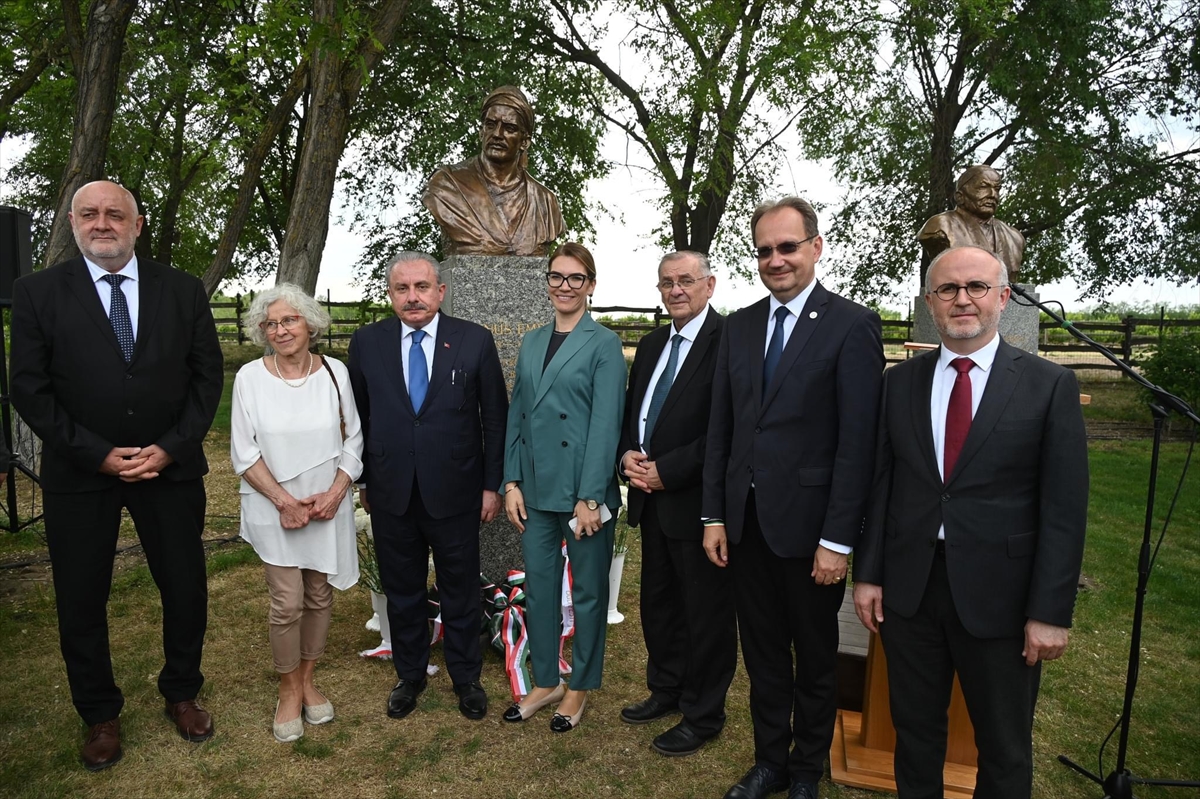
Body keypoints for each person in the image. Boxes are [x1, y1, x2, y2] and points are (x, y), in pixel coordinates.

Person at [852, 245, 1088, 799]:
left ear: (1002, 297)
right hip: (911, 592)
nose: (962, 299)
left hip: (1002, 598)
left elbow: (1063, 509)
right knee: (914, 737)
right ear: (930, 302)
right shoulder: (899, 383)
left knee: (1004, 748)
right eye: (948, 289)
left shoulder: (1047, 386)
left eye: (976, 287)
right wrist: (868, 574)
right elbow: (882, 486)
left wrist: (1050, 612)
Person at [9, 180, 223, 771]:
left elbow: (207, 378)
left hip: (169, 471)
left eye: (115, 214)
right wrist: (95, 452)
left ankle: (182, 692)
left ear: (137, 222)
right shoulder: (37, 293)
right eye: (89, 214)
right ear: (73, 221)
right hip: (81, 474)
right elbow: (30, 385)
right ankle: (99, 713)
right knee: (81, 597)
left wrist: (173, 447)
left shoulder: (181, 290)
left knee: (184, 586)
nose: (102, 223)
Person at [702, 197, 884, 799]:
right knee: (762, 656)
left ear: (816, 247)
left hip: (812, 536)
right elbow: (723, 431)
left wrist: (838, 540)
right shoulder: (742, 324)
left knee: (814, 655)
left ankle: (806, 769)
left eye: (787, 246)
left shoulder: (851, 325)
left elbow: (858, 444)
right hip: (747, 527)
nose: (775, 260)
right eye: (764, 250)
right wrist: (715, 516)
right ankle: (768, 763)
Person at [347, 252, 508, 721]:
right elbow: (358, 417)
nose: (412, 297)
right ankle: (410, 674)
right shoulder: (367, 343)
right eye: (402, 289)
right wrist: (362, 478)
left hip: (456, 490)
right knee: (404, 589)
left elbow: (493, 419)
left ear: (441, 290)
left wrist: (490, 485)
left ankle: (466, 677)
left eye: (422, 287)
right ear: (391, 295)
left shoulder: (473, 340)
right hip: (391, 490)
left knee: (459, 588)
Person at [230, 284, 364, 743]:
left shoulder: (335, 372)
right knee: (287, 602)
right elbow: (244, 453)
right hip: (274, 507)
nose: (281, 329)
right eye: (271, 323)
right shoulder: (249, 377)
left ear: (310, 324)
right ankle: (288, 688)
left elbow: (355, 441)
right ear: (262, 331)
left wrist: (333, 494)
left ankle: (308, 678)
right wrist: (285, 502)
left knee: (319, 595)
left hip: (327, 503)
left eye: (290, 320)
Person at [501, 242, 625, 732]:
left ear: (591, 285)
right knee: (540, 587)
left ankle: (579, 688)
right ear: (547, 281)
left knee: (590, 592)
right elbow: (519, 414)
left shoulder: (604, 343)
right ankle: (547, 679)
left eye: (576, 278)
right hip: (534, 489)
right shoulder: (531, 340)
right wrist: (510, 480)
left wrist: (591, 495)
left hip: (582, 494)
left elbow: (605, 424)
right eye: (557, 276)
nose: (565, 286)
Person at [617, 251, 734, 756]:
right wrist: (626, 455)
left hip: (699, 503)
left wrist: (671, 470)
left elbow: (725, 429)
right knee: (659, 604)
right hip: (649, 500)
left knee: (705, 612)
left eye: (686, 281)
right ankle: (666, 689)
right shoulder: (650, 343)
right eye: (667, 283)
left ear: (710, 285)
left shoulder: (730, 342)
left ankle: (703, 713)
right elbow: (634, 412)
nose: (676, 290)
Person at [421, 85, 565, 256]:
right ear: (481, 132)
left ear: (524, 141)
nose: (497, 134)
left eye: (509, 128)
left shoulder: (545, 201)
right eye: (490, 125)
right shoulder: (446, 185)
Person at [918, 164, 1025, 284]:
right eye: (983, 187)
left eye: (997, 189)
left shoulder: (1014, 237)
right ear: (960, 196)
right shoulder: (941, 226)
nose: (992, 194)